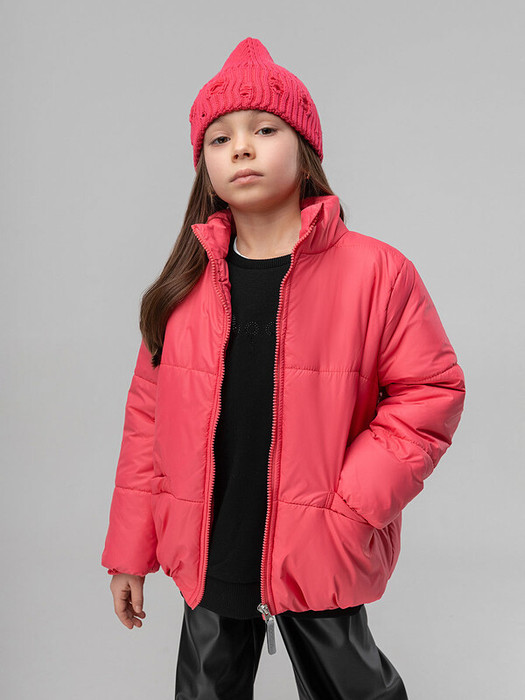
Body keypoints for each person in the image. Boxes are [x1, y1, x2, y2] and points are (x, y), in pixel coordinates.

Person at [101, 37, 466, 699]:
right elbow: (145, 426)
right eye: (220, 139)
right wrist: (130, 552)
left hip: (319, 549)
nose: (240, 148)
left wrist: (350, 506)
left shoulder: (376, 274)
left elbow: (429, 392)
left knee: (354, 689)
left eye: (264, 130)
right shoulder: (182, 290)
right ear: (204, 166)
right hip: (210, 549)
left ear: (305, 150)